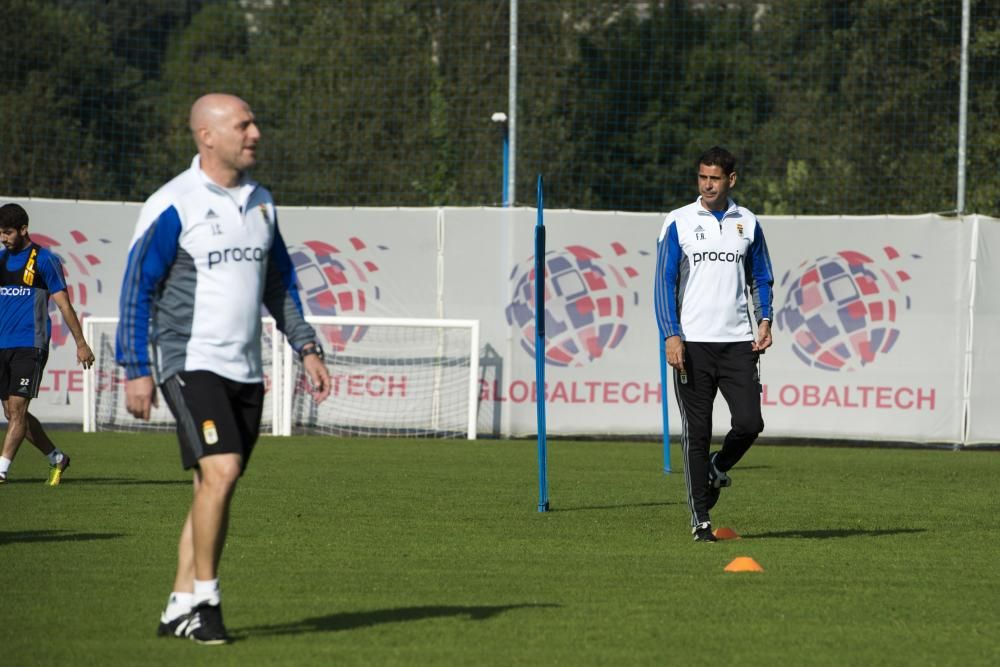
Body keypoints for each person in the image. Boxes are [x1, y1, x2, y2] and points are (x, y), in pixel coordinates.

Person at [116, 93, 332, 645]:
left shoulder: (262, 202)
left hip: (245, 368)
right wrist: (137, 367)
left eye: (254, 121)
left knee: (213, 485)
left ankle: (178, 606)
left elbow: (279, 281)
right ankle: (206, 606)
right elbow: (136, 288)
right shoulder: (174, 203)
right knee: (222, 471)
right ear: (207, 136)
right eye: (243, 124)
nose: (255, 132)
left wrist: (307, 347)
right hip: (189, 360)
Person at [653, 146, 774, 543]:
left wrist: (766, 321)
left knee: (749, 423)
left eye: (715, 178)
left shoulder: (749, 223)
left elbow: (762, 277)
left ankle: (718, 466)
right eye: (702, 177)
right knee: (697, 431)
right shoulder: (679, 222)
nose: (707, 184)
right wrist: (671, 334)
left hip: (738, 342)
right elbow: (663, 283)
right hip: (692, 345)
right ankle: (700, 520)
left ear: (731, 180)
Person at [0, 203, 95, 486]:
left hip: (31, 344)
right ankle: (56, 458)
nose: (3, 239)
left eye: (7, 233)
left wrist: (81, 344)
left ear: (23, 229)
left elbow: (64, 306)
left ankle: (1, 469)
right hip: (2, 345)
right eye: (0, 234)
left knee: (17, 410)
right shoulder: (1, 260)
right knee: (13, 412)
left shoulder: (44, 260)